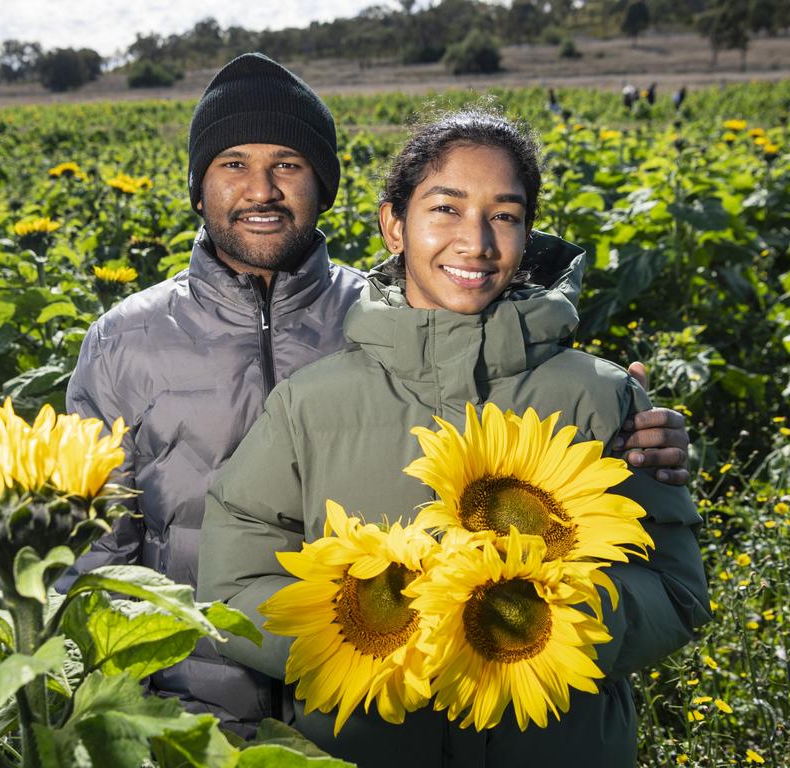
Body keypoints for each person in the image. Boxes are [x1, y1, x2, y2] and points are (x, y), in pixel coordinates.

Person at [59, 53, 692, 738]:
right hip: (192, 704)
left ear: (324, 185)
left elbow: (515, 373)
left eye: (289, 165)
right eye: (233, 164)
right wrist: (97, 708)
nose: (262, 189)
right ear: (199, 184)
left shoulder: (399, 315)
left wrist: (642, 430)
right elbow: (92, 551)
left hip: (363, 719)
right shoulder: (127, 339)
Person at [198, 108, 710, 765]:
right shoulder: (311, 404)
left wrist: (550, 627)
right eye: (445, 208)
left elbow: (675, 591)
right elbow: (230, 589)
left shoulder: (599, 396)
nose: (476, 242)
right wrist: (373, 636)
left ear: (527, 233)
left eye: (504, 214)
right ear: (394, 224)